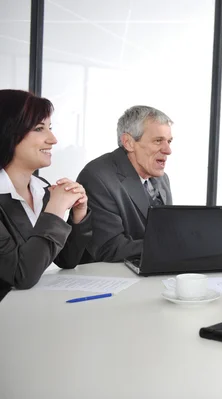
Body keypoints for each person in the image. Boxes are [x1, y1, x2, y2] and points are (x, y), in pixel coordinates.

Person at [0, 89, 92, 289]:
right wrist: (56, 209)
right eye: (40, 128)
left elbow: (66, 260)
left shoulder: (41, 189)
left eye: (50, 127)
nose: (53, 139)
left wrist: (78, 215)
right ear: (8, 132)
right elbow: (20, 275)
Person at [77, 105, 173, 262]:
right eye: (158, 141)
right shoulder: (98, 176)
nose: (168, 150)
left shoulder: (162, 178)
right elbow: (109, 247)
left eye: (169, 141)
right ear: (128, 142)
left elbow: (165, 233)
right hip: (108, 280)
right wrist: (175, 247)